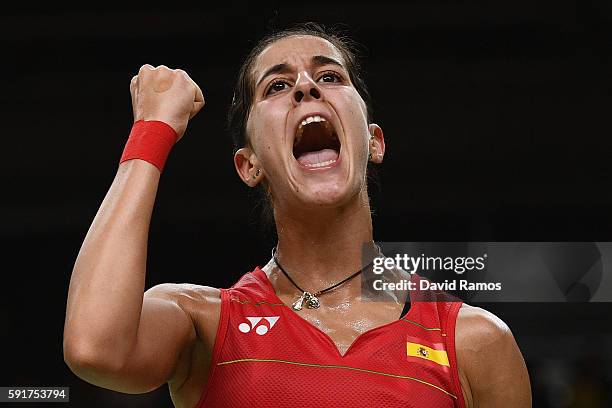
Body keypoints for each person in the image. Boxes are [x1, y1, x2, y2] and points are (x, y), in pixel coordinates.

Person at [63, 23, 531, 407]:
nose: (307, 86)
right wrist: (152, 131)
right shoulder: (204, 323)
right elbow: (94, 347)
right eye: (278, 85)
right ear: (250, 166)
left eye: (330, 77)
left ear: (374, 142)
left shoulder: (473, 341)